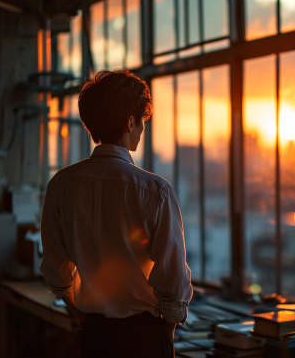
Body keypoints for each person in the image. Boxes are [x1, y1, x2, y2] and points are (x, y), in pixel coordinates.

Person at [40, 70, 192, 358]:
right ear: (130, 122)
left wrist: (81, 315)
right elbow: (172, 278)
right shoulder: (155, 190)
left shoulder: (61, 183)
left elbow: (55, 271)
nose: (142, 129)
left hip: (93, 336)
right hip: (144, 337)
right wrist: (168, 332)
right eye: (142, 122)